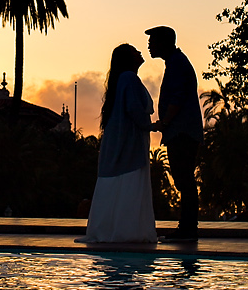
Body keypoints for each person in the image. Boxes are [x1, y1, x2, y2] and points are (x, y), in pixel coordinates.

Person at [86, 44, 156, 244]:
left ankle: (112, 229)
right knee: (129, 183)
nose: (140, 52)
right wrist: (151, 125)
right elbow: (134, 108)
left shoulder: (123, 80)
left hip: (121, 140)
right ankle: (127, 231)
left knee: (119, 184)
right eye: (135, 51)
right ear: (128, 58)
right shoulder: (129, 78)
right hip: (128, 143)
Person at [146, 25, 203, 240]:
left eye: (153, 41)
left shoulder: (177, 64)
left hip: (182, 133)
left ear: (164, 43)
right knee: (183, 180)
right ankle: (187, 227)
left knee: (184, 180)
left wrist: (165, 122)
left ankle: (188, 228)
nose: (149, 46)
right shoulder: (175, 63)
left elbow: (178, 97)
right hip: (180, 132)